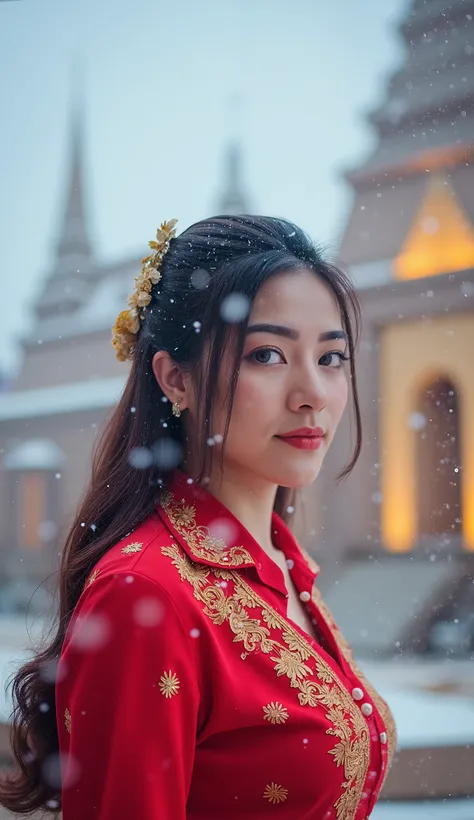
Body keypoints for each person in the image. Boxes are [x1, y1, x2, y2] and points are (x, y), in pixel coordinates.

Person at [0, 215, 396, 819]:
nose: (312, 390)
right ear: (175, 378)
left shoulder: (286, 567)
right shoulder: (144, 593)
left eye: (332, 357)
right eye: (268, 354)